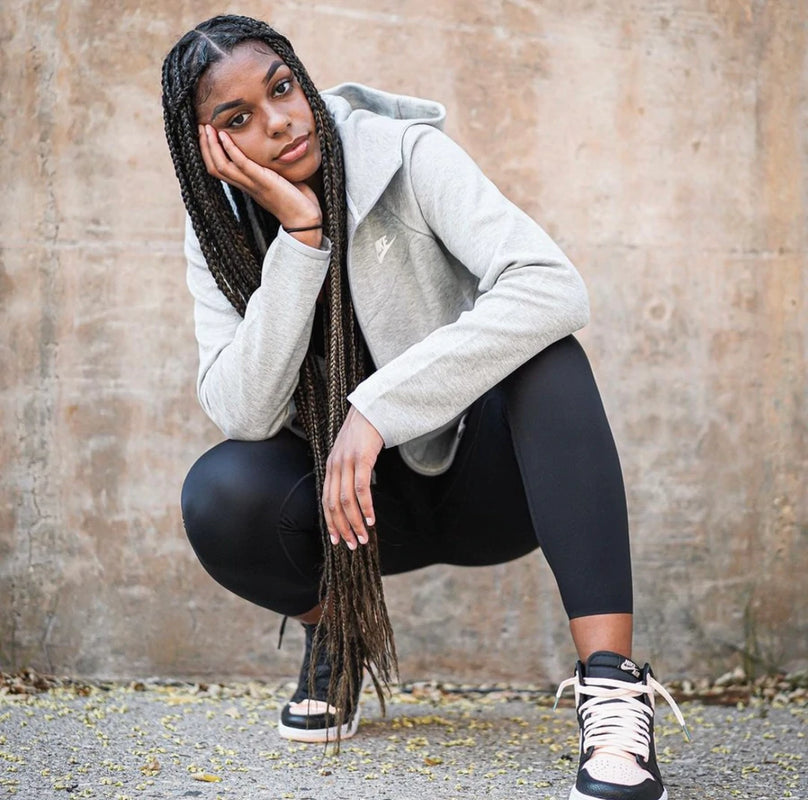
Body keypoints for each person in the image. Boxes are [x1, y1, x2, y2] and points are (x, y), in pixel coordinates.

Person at [161, 15, 687, 800]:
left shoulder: (405, 156)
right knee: (219, 491)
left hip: (484, 482)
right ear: (207, 147)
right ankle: (336, 634)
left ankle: (612, 691)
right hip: (358, 520)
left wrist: (375, 409)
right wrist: (301, 242)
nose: (278, 121)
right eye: (236, 118)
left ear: (302, 80)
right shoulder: (218, 234)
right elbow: (242, 411)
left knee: (551, 362)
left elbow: (552, 284)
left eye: (281, 88)